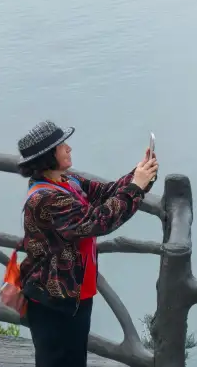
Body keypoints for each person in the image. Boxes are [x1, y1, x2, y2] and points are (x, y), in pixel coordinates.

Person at [15, 119, 158, 367]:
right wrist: (136, 185)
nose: (68, 148)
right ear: (49, 156)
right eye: (62, 146)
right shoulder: (46, 200)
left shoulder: (66, 181)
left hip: (72, 295)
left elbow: (106, 193)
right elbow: (101, 220)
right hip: (53, 301)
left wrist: (139, 175)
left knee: (73, 359)